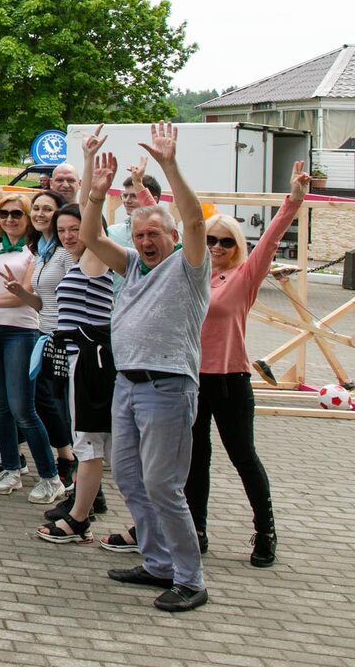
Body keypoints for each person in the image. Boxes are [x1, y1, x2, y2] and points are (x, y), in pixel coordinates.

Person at [79, 122, 212, 613]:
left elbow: (197, 221)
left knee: (163, 484)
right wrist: (95, 190)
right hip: (127, 386)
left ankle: (190, 578)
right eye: (139, 233)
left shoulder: (189, 268)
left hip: (168, 389)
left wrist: (169, 165)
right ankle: (156, 562)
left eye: (155, 232)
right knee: (131, 479)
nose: (146, 239)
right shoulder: (132, 264)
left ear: (172, 236)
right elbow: (90, 236)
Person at [187, 160, 306, 567]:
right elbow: (168, 232)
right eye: (211, 240)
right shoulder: (190, 274)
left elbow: (270, 241)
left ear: (237, 246)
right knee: (194, 457)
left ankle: (265, 529)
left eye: (226, 242)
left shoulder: (245, 276)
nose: (217, 247)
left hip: (230, 380)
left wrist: (292, 201)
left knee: (243, 457)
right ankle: (196, 530)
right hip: (192, 379)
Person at [0, 193, 63, 503]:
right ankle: (10, 468)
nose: (9, 219)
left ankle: (50, 476)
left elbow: (26, 295)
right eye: (4, 213)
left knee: (23, 407)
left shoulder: (36, 252)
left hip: (20, 331)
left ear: (27, 218)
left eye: (17, 214)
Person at [37, 193, 117, 545]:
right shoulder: (75, 263)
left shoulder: (94, 260)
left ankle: (79, 518)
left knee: (90, 444)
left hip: (91, 361)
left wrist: (94, 187)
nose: (68, 235)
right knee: (89, 444)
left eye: (75, 229)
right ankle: (81, 513)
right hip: (75, 360)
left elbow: (92, 217)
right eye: (62, 230)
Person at [29, 189, 77, 486]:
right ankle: (67, 456)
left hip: (66, 339)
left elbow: (76, 290)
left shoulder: (65, 252)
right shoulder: (41, 250)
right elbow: (40, 300)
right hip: (43, 333)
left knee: (54, 401)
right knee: (45, 399)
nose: (39, 214)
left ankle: (68, 460)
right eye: (35, 208)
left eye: (47, 209)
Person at [108, 164, 164, 245]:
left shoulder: (167, 233)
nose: (127, 201)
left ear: (154, 200)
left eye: (134, 196)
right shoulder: (112, 232)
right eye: (125, 195)